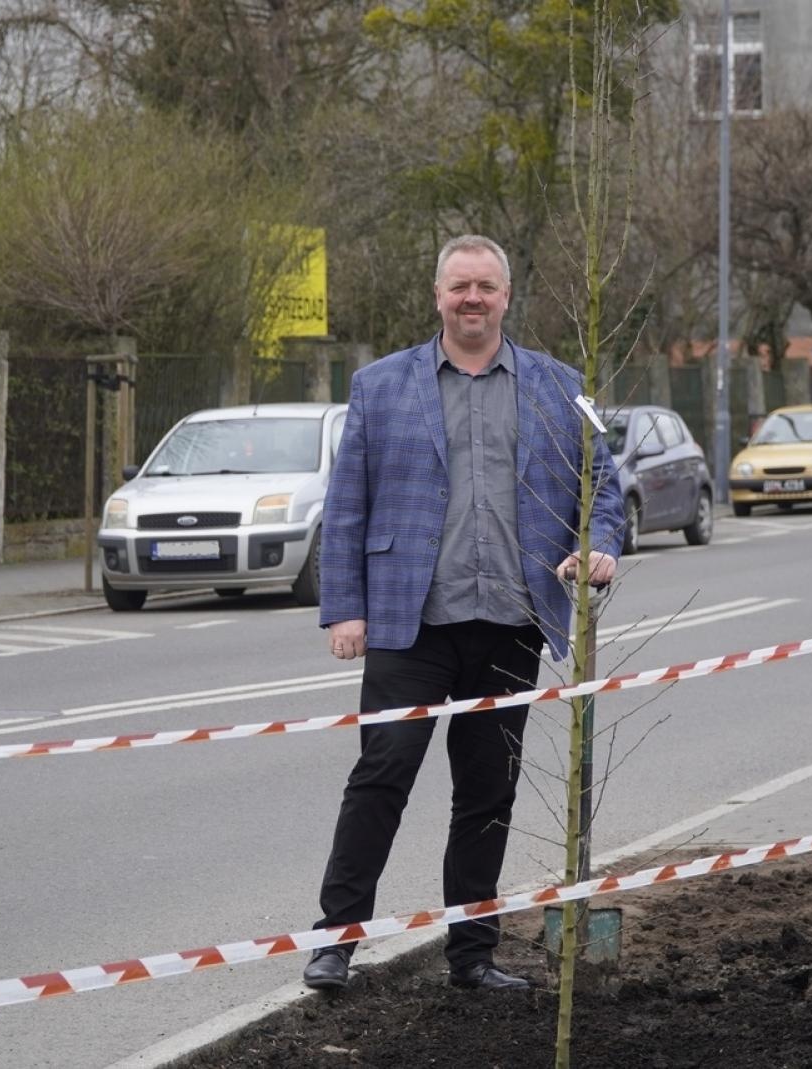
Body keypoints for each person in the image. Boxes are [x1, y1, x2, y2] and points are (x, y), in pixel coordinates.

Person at [303, 234, 624, 993]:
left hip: (511, 622)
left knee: (488, 792)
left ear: (507, 295)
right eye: (459, 287)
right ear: (438, 295)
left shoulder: (559, 384)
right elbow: (346, 506)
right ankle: (335, 943)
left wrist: (600, 545)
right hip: (409, 624)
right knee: (381, 776)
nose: (471, 298)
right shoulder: (379, 386)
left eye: (485, 286)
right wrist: (343, 609)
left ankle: (472, 956)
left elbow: (603, 483)